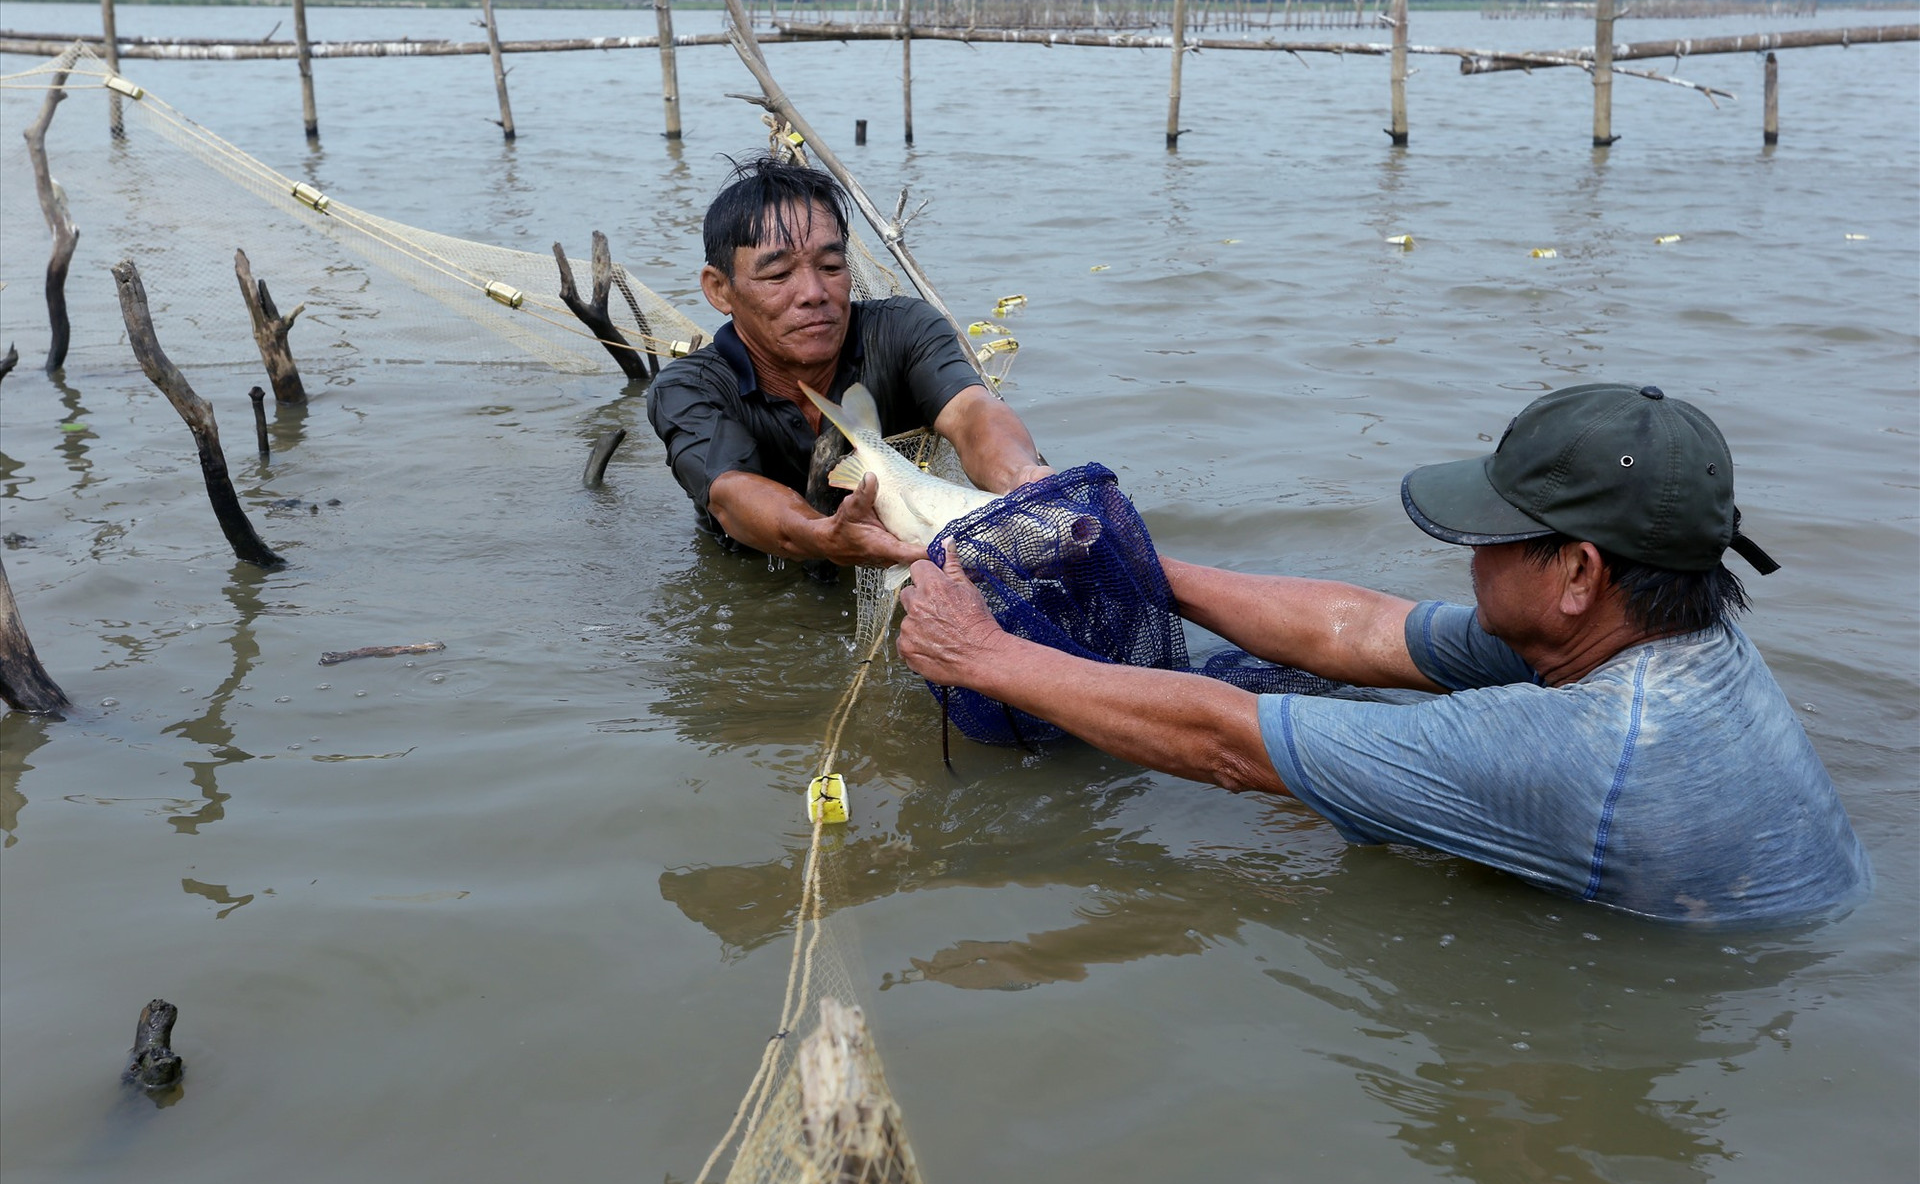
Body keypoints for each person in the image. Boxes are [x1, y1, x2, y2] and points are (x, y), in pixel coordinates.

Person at [897, 383, 1871, 923]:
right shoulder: (1669, 628)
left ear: (1578, 572)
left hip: (1708, 971)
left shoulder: (1584, 745)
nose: (1469, 552)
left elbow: (1232, 747)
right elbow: (1354, 630)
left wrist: (981, 652)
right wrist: (1116, 554)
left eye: (1495, 532)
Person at [647, 156, 1049, 571]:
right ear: (719, 289)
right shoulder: (688, 388)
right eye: (779, 275)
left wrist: (1020, 474)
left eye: (831, 266)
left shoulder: (904, 330)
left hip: (904, 550)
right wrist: (824, 535)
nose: (814, 292)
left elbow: (970, 412)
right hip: (752, 569)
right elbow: (730, 494)